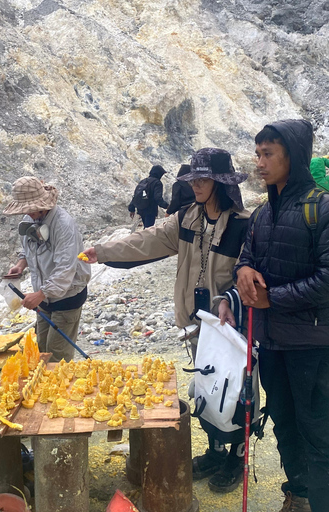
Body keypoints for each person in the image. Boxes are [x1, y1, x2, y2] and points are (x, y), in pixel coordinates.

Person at [81, 148, 250, 492]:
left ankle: (236, 458)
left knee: (233, 393)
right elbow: (148, 240)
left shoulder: (244, 225)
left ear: (221, 183)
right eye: (194, 179)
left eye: (206, 179)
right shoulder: (188, 218)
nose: (197, 185)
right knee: (205, 388)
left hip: (230, 327)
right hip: (195, 322)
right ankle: (215, 452)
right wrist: (105, 251)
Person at [235, 120, 329, 512]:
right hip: (272, 341)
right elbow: (248, 258)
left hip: (311, 343)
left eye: (268, 154)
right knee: (284, 423)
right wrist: (243, 270)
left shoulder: (328, 210)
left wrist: (274, 300)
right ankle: (298, 495)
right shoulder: (262, 215)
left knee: (316, 431)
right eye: (258, 154)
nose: (260, 162)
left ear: (294, 158)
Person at [4, 177, 91, 362]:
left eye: (30, 209)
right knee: (41, 349)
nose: (28, 214)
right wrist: (20, 265)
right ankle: (43, 388)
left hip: (67, 296)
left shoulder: (63, 225)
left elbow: (66, 269)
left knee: (56, 355)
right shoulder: (31, 217)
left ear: (42, 204)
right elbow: (27, 248)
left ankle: (59, 389)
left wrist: (40, 294)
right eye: (24, 210)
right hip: (44, 297)